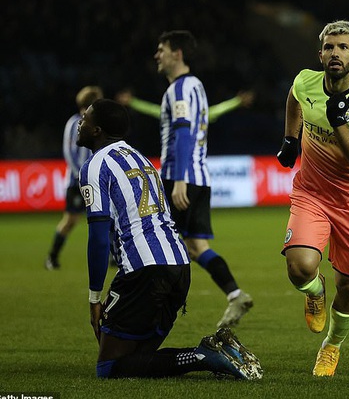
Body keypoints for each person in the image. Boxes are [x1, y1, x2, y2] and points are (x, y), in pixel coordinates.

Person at [77, 99, 262, 380]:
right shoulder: (140, 158)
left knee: (110, 367)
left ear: (97, 130)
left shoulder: (94, 165)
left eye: (86, 118)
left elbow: (99, 236)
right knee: (137, 359)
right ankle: (216, 351)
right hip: (179, 266)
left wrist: (94, 297)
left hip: (144, 271)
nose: (81, 121)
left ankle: (204, 355)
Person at [276, 20, 349, 377]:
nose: (334, 53)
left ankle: (332, 347)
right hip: (312, 192)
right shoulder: (306, 81)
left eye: (342, 48)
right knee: (299, 268)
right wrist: (291, 139)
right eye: (328, 47)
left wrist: (340, 123)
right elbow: (294, 98)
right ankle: (314, 291)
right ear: (320, 54)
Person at [154, 30, 252, 328]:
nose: (157, 55)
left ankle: (156, 309)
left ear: (177, 53)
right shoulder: (196, 86)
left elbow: (184, 134)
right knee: (197, 247)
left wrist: (180, 180)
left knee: (161, 243)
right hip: (200, 176)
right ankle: (235, 294)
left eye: (162, 49)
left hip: (181, 177)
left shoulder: (180, 90)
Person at [45, 85, 104, 270]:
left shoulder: (98, 125)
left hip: (96, 181)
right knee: (70, 220)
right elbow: (69, 152)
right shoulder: (74, 123)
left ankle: (113, 257)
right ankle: (52, 257)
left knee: (107, 218)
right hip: (77, 181)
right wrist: (81, 175)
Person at [116, 87, 255, 123]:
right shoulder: (174, 116)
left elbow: (217, 110)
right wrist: (132, 102)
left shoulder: (198, 116)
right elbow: (153, 110)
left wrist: (237, 102)